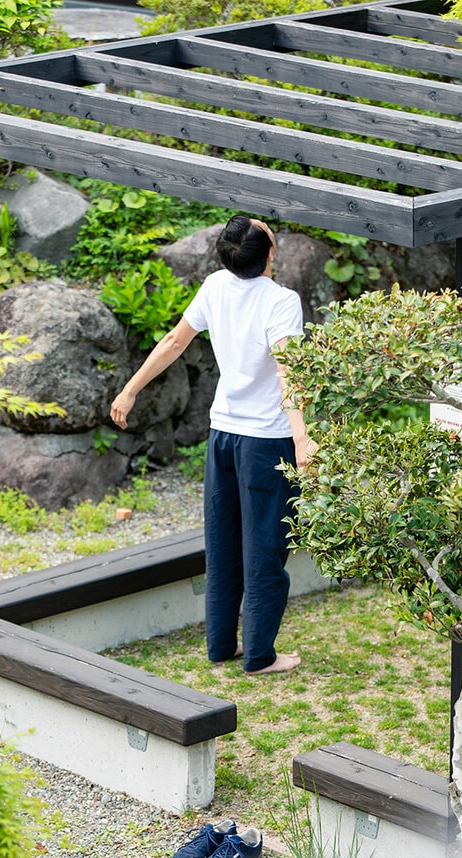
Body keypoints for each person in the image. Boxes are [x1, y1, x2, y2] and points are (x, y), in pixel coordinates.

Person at [110, 215, 316, 675]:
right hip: (266, 440)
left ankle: (222, 645)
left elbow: (174, 341)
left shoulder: (215, 286)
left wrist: (131, 388)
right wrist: (303, 436)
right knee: (264, 547)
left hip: (222, 435)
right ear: (269, 254)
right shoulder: (281, 301)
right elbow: (290, 369)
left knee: (223, 542)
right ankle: (260, 655)